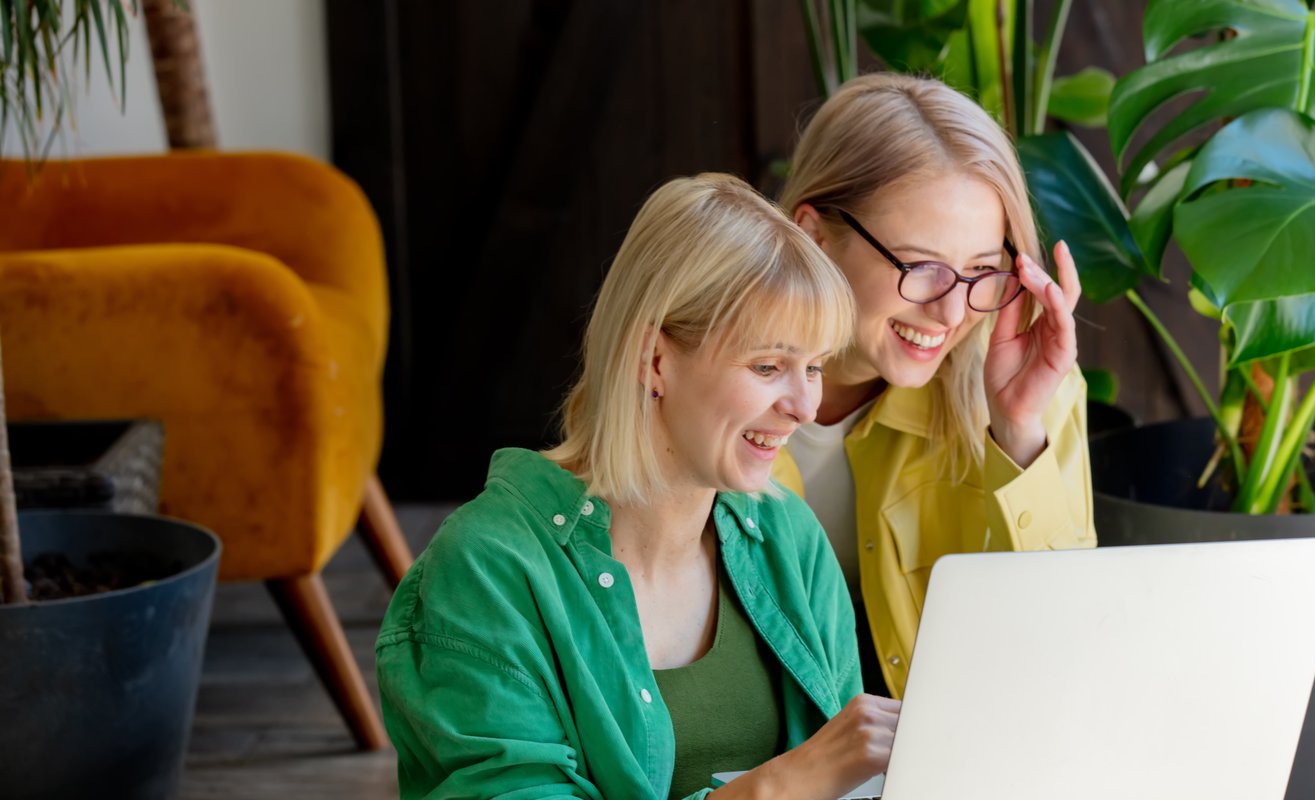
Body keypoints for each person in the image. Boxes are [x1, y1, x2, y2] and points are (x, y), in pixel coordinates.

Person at [377, 174, 900, 799]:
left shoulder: (791, 538)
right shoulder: (487, 569)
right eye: (767, 366)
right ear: (654, 360)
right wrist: (775, 789)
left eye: (813, 368)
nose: (804, 406)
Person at [776, 72, 1096, 698]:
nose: (952, 316)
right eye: (922, 268)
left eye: (982, 270)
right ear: (814, 236)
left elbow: (1073, 638)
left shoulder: (1027, 372)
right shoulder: (701, 376)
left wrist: (1020, 431)